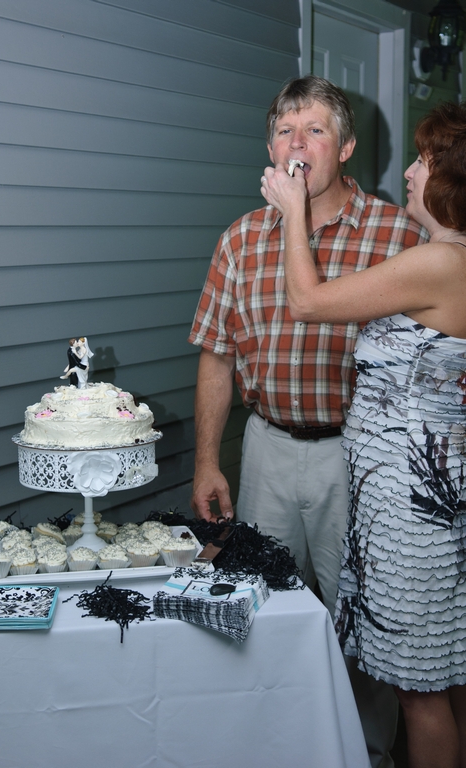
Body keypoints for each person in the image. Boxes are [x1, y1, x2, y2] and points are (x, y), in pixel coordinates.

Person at [188, 75, 428, 768]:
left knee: (364, 626)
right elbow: (217, 355)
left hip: (361, 457)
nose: (297, 144)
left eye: (314, 130)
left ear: (345, 147)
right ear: (269, 148)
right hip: (266, 448)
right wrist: (207, 461)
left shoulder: (400, 234)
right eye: (284, 131)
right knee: (257, 609)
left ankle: (367, 752)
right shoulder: (240, 240)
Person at [262, 101, 466, 768]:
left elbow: (307, 302)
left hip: (412, 516)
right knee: (445, 678)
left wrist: (292, 212)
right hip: (415, 498)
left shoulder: (442, 262)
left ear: (450, 179)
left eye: (423, 161)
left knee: (419, 693)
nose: (408, 172)